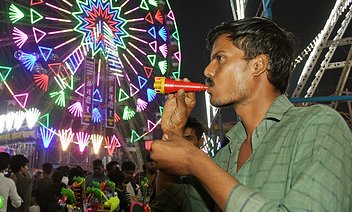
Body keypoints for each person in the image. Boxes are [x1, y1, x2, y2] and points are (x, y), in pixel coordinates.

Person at [150, 17, 352, 211]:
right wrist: (173, 132)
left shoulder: (319, 126)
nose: (207, 70)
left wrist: (195, 162)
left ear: (258, 65)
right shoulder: (226, 155)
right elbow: (174, 206)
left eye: (220, 58)